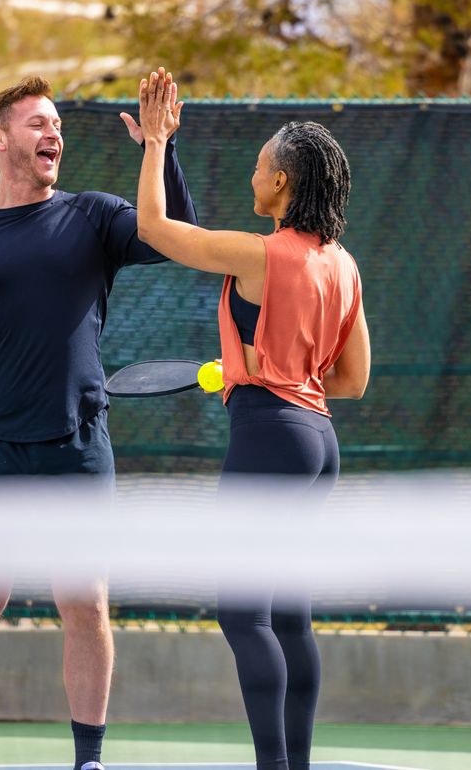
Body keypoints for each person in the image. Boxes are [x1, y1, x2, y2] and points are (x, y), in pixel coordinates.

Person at [0, 73, 199, 770]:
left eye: (57, 125)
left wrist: (159, 148)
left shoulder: (95, 217)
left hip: (76, 444)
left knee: (85, 604)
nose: (54, 134)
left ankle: (89, 761)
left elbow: (174, 236)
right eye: (38, 123)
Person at [133, 70, 370, 770]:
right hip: (318, 444)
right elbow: (352, 382)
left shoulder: (258, 252)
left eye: (261, 167)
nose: (253, 174)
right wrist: (260, 365)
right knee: (290, 616)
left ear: (284, 185)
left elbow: (153, 228)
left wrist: (155, 143)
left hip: (271, 437)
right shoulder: (345, 265)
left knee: (244, 614)